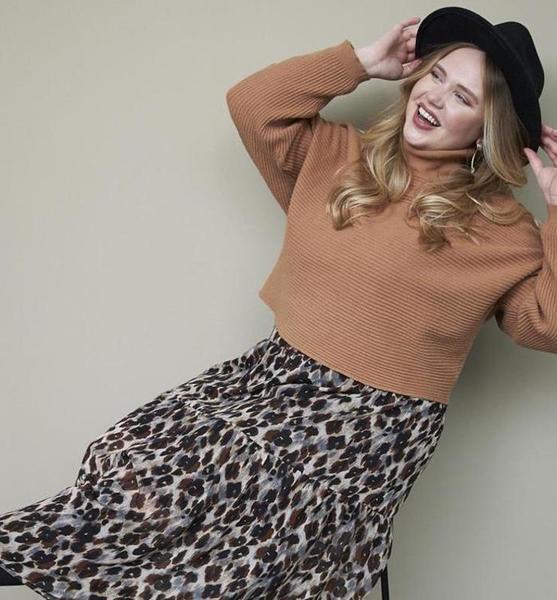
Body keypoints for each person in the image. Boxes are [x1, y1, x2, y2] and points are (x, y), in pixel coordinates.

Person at [1, 6, 556, 599]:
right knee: (133, 463)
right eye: (436, 75)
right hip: (274, 376)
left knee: (251, 565)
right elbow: (252, 104)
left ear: (486, 129)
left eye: (463, 97)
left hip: (368, 428)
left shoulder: (504, 230)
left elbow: (545, 326)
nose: (436, 98)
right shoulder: (337, 157)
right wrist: (361, 62)